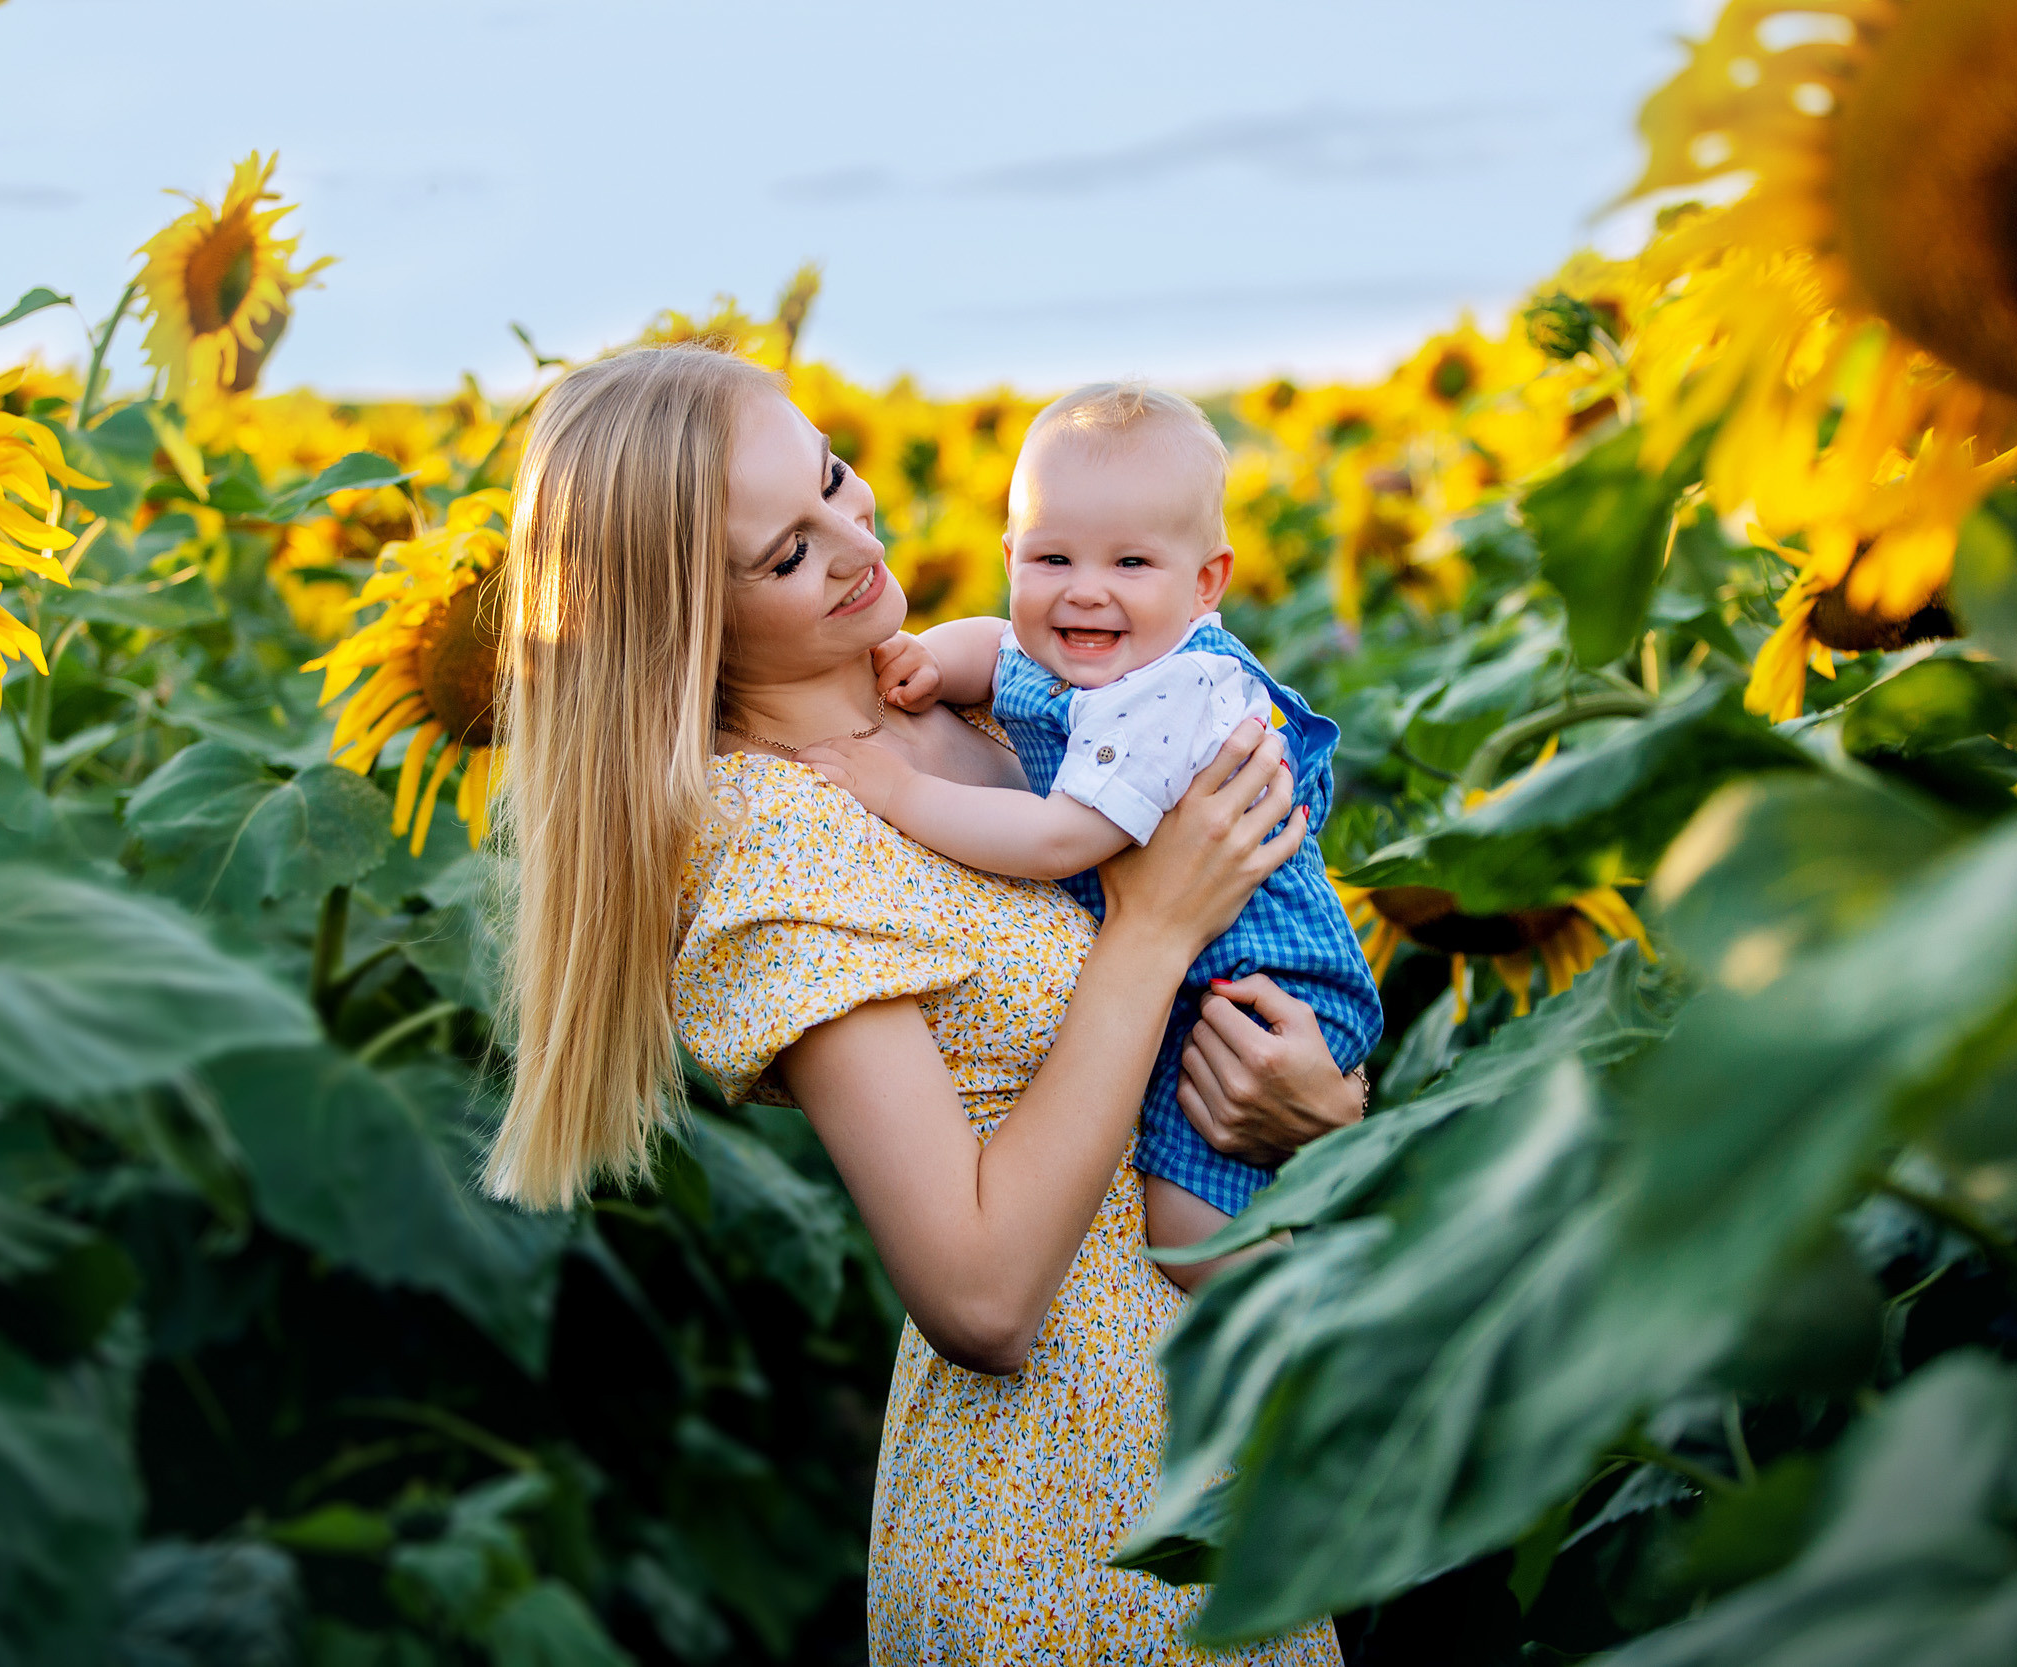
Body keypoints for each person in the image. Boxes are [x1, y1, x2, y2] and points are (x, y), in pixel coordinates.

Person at [483, 343, 1357, 1662]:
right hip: (1067, 1522)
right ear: (685, 621)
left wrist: (1317, 1113)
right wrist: (1154, 922)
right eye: (786, 553)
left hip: (1227, 1460)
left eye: (835, 479)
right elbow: (981, 1293)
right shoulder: (773, 836)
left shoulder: (997, 702)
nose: (854, 539)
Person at [799, 384, 1382, 1287]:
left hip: (1255, 991)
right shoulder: (1083, 653)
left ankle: (1305, 1320)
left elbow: (1058, 841)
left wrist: (900, 789)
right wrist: (932, 657)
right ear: (1010, 556)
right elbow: (998, 650)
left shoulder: (1175, 693)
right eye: (1052, 556)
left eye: (1131, 564)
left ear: (1206, 583)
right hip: (1193, 970)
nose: (1085, 591)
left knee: (1185, 1222)